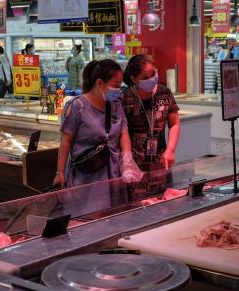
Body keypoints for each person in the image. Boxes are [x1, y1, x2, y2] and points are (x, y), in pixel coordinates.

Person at [54, 59, 142, 214]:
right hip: (87, 176)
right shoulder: (76, 107)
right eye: (115, 84)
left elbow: (123, 133)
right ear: (100, 83)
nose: (118, 89)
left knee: (114, 218)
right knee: (89, 221)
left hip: (113, 174)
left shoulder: (116, 106)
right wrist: (60, 172)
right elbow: (66, 141)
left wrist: (127, 161)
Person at [120, 54, 181, 201]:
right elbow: (122, 132)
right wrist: (127, 161)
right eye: (145, 77)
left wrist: (171, 149)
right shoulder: (124, 97)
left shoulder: (164, 93)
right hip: (134, 164)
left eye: (153, 74)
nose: (151, 79)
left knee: (162, 202)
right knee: (138, 205)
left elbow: (174, 124)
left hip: (161, 159)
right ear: (134, 79)